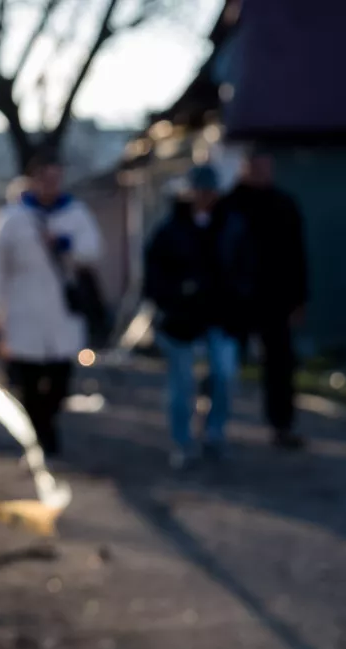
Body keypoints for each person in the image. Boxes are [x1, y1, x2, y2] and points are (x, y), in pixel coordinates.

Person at [0, 154, 102, 458]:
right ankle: (40, 435)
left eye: (55, 178)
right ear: (32, 180)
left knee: (59, 380)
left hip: (61, 312)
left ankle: (47, 424)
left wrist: (66, 244)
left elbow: (93, 250)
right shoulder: (11, 219)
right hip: (22, 312)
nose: (50, 185)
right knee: (27, 382)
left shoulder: (75, 213)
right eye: (45, 178)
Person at [144, 164, 251, 469]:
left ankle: (215, 434)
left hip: (222, 317)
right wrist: (175, 296)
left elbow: (246, 267)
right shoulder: (171, 229)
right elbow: (154, 274)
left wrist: (238, 299)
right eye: (200, 191)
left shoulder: (232, 225)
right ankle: (182, 441)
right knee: (181, 384)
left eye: (209, 191)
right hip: (182, 319)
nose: (205, 197)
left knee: (223, 376)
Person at [217, 150, 309, 450]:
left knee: (280, 365)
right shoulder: (229, 205)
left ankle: (281, 426)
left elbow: (297, 253)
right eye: (255, 165)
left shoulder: (284, 204)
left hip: (276, 299)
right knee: (223, 364)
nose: (261, 171)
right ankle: (215, 427)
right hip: (235, 300)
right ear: (245, 167)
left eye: (265, 165)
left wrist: (300, 298)